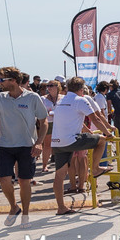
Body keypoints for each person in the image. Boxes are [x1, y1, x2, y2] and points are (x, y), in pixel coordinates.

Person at [0, 66, 46, 224]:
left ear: (12, 80)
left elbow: (43, 121)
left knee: (24, 181)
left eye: (2, 80)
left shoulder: (32, 98)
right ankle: (14, 207)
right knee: (3, 178)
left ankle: (25, 215)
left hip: (26, 145)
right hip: (6, 145)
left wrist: (39, 142)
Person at [49, 76, 104, 215]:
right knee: (102, 141)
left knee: (59, 175)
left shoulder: (61, 101)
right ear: (81, 89)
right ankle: (96, 169)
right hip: (71, 140)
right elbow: (95, 118)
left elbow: (75, 119)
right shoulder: (80, 100)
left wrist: (87, 131)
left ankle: (61, 207)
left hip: (57, 142)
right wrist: (107, 132)